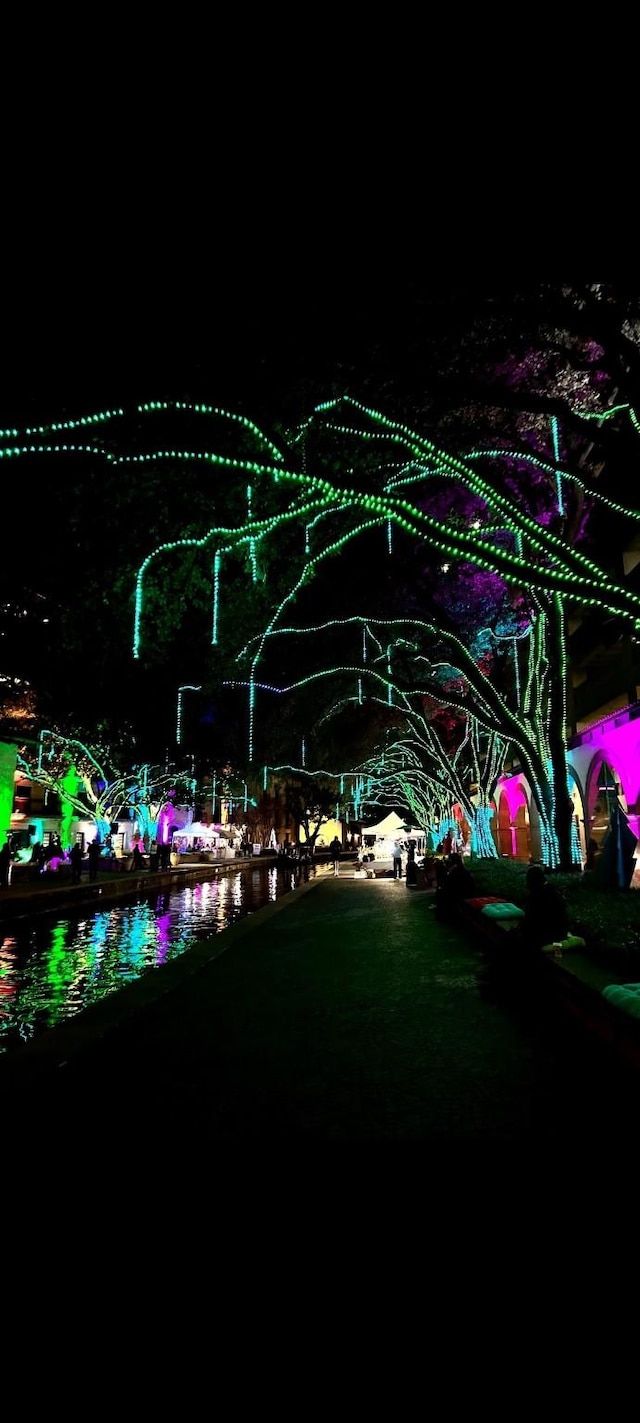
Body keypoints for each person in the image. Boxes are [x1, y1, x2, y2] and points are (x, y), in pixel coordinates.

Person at [520, 864, 569, 952]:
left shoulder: (537, 896)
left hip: (546, 936)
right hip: (559, 934)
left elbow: (532, 921)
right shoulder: (552, 891)